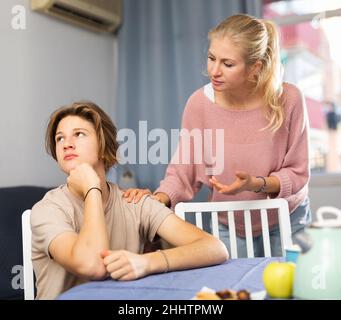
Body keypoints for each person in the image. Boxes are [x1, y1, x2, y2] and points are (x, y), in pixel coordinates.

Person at [123, 14, 312, 257]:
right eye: (212, 58)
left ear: (255, 67)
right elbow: (183, 171)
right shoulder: (199, 104)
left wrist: (256, 184)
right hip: (229, 223)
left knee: (292, 290)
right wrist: (157, 199)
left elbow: (297, 172)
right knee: (235, 292)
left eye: (228, 64)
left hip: (287, 216)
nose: (214, 70)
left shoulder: (289, 99)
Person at [31, 102, 228, 300]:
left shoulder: (135, 202)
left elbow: (214, 248)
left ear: (103, 145)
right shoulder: (47, 210)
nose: (67, 144)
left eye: (79, 134)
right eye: (59, 138)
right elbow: (93, 266)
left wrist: (147, 262)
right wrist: (92, 188)